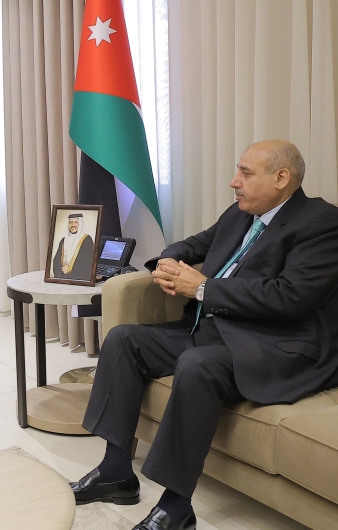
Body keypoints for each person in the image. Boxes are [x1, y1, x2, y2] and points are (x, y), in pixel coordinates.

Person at [72, 140, 338, 530]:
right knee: (124, 339)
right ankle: (116, 471)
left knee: (197, 364)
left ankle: (177, 507)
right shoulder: (241, 213)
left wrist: (201, 288)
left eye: (245, 173)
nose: (234, 182)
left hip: (273, 345)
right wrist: (168, 262)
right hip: (212, 331)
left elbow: (289, 297)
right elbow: (196, 244)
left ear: (282, 178)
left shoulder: (322, 223)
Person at [52, 212, 95, 280]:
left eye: (76, 222)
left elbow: (87, 262)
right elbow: (56, 260)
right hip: (62, 277)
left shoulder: (87, 240)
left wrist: (70, 270)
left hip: (79, 279)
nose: (73, 225)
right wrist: (61, 269)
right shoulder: (63, 240)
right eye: (71, 222)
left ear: (80, 224)